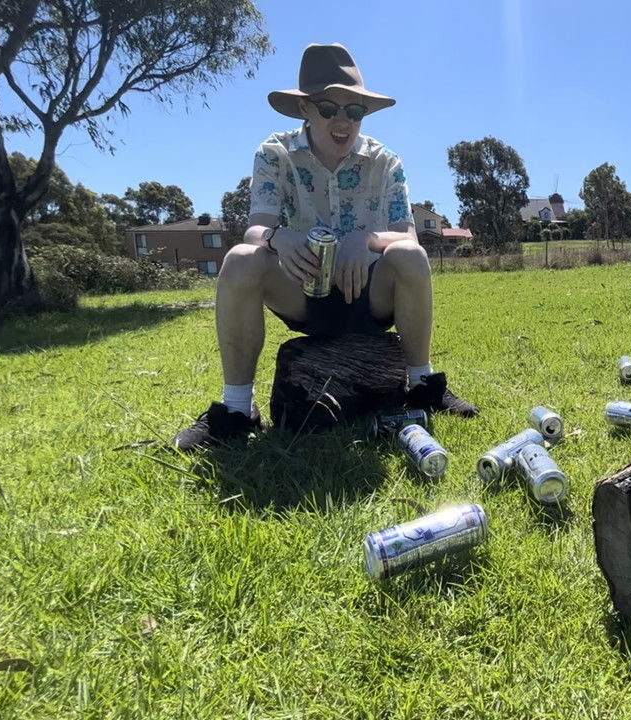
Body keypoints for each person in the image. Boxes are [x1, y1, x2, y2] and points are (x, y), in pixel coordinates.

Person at [174, 43, 476, 451]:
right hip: (302, 294)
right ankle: (236, 411)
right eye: (329, 107)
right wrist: (279, 237)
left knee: (409, 255)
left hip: (370, 295)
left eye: (355, 110)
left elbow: (408, 236)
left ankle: (423, 386)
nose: (343, 120)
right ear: (305, 109)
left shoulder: (385, 162)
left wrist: (364, 239)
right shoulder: (275, 154)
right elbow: (254, 230)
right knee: (241, 259)